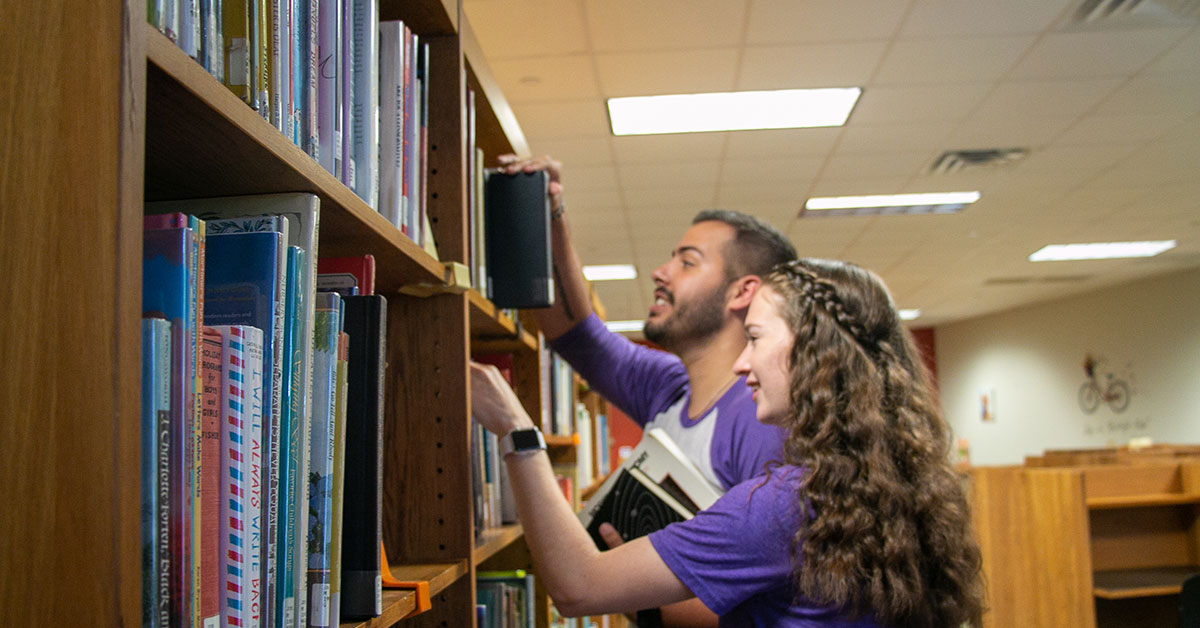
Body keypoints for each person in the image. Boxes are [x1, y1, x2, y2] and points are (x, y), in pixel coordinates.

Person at [470, 257, 985, 627]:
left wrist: (518, 432)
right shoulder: (890, 484)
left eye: (756, 339)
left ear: (813, 354)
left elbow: (576, 587)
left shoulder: (787, 503)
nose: (743, 364)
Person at [498, 154, 798, 493]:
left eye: (687, 262)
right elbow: (577, 338)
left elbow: (769, 545)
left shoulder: (762, 418)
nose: (660, 272)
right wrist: (550, 212)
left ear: (743, 292)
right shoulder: (666, 386)